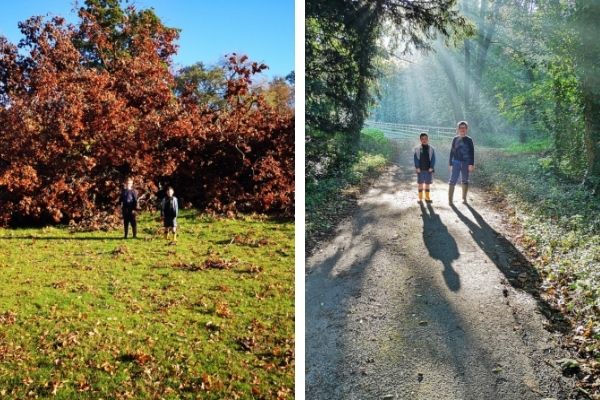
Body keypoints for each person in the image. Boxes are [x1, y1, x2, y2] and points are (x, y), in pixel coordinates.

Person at [448, 121, 475, 204]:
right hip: (456, 162)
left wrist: (471, 164)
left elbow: (472, 152)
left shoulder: (469, 140)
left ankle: (464, 198)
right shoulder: (455, 139)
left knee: (465, 180)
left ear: (466, 129)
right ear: (458, 129)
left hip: (466, 162)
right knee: (452, 180)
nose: (462, 129)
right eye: (460, 128)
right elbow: (452, 151)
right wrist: (450, 163)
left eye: (464, 128)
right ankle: (450, 200)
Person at [413, 132, 436, 203]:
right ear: (420, 140)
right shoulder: (417, 149)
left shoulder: (431, 149)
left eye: (426, 138)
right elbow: (416, 159)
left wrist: (432, 167)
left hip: (428, 170)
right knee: (420, 184)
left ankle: (427, 198)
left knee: (427, 184)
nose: (424, 140)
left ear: (428, 139)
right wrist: (417, 167)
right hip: (420, 170)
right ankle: (420, 198)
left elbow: (433, 159)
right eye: (422, 139)